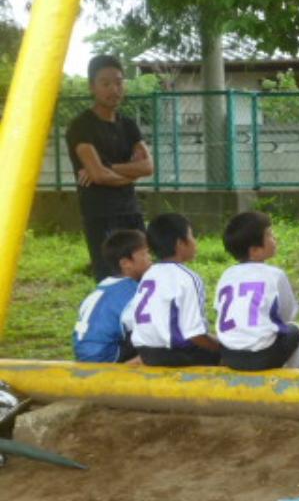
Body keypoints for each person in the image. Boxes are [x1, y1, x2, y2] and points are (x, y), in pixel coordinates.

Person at [66, 54, 154, 281]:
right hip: (100, 215)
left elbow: (147, 166)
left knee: (144, 276)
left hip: (131, 211)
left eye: (118, 82)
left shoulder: (129, 125)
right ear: (92, 87)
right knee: (111, 278)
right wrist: (130, 173)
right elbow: (98, 176)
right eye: (105, 83)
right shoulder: (81, 126)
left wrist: (108, 167)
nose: (114, 89)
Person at [214, 212, 299, 371]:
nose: (275, 238)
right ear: (255, 250)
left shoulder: (226, 275)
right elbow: (287, 315)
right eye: (269, 234)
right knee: (296, 330)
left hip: (229, 354)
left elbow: (219, 310)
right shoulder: (275, 275)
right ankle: (297, 379)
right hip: (262, 357)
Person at [129, 213, 221, 366]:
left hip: (146, 352)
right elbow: (195, 334)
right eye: (191, 236)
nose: (195, 242)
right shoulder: (187, 278)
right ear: (180, 243)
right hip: (175, 354)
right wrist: (221, 348)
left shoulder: (149, 274)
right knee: (232, 355)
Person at [73, 229, 150, 363]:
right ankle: (133, 366)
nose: (150, 259)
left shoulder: (101, 289)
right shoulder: (133, 291)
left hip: (83, 355)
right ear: (125, 263)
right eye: (145, 254)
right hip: (108, 356)